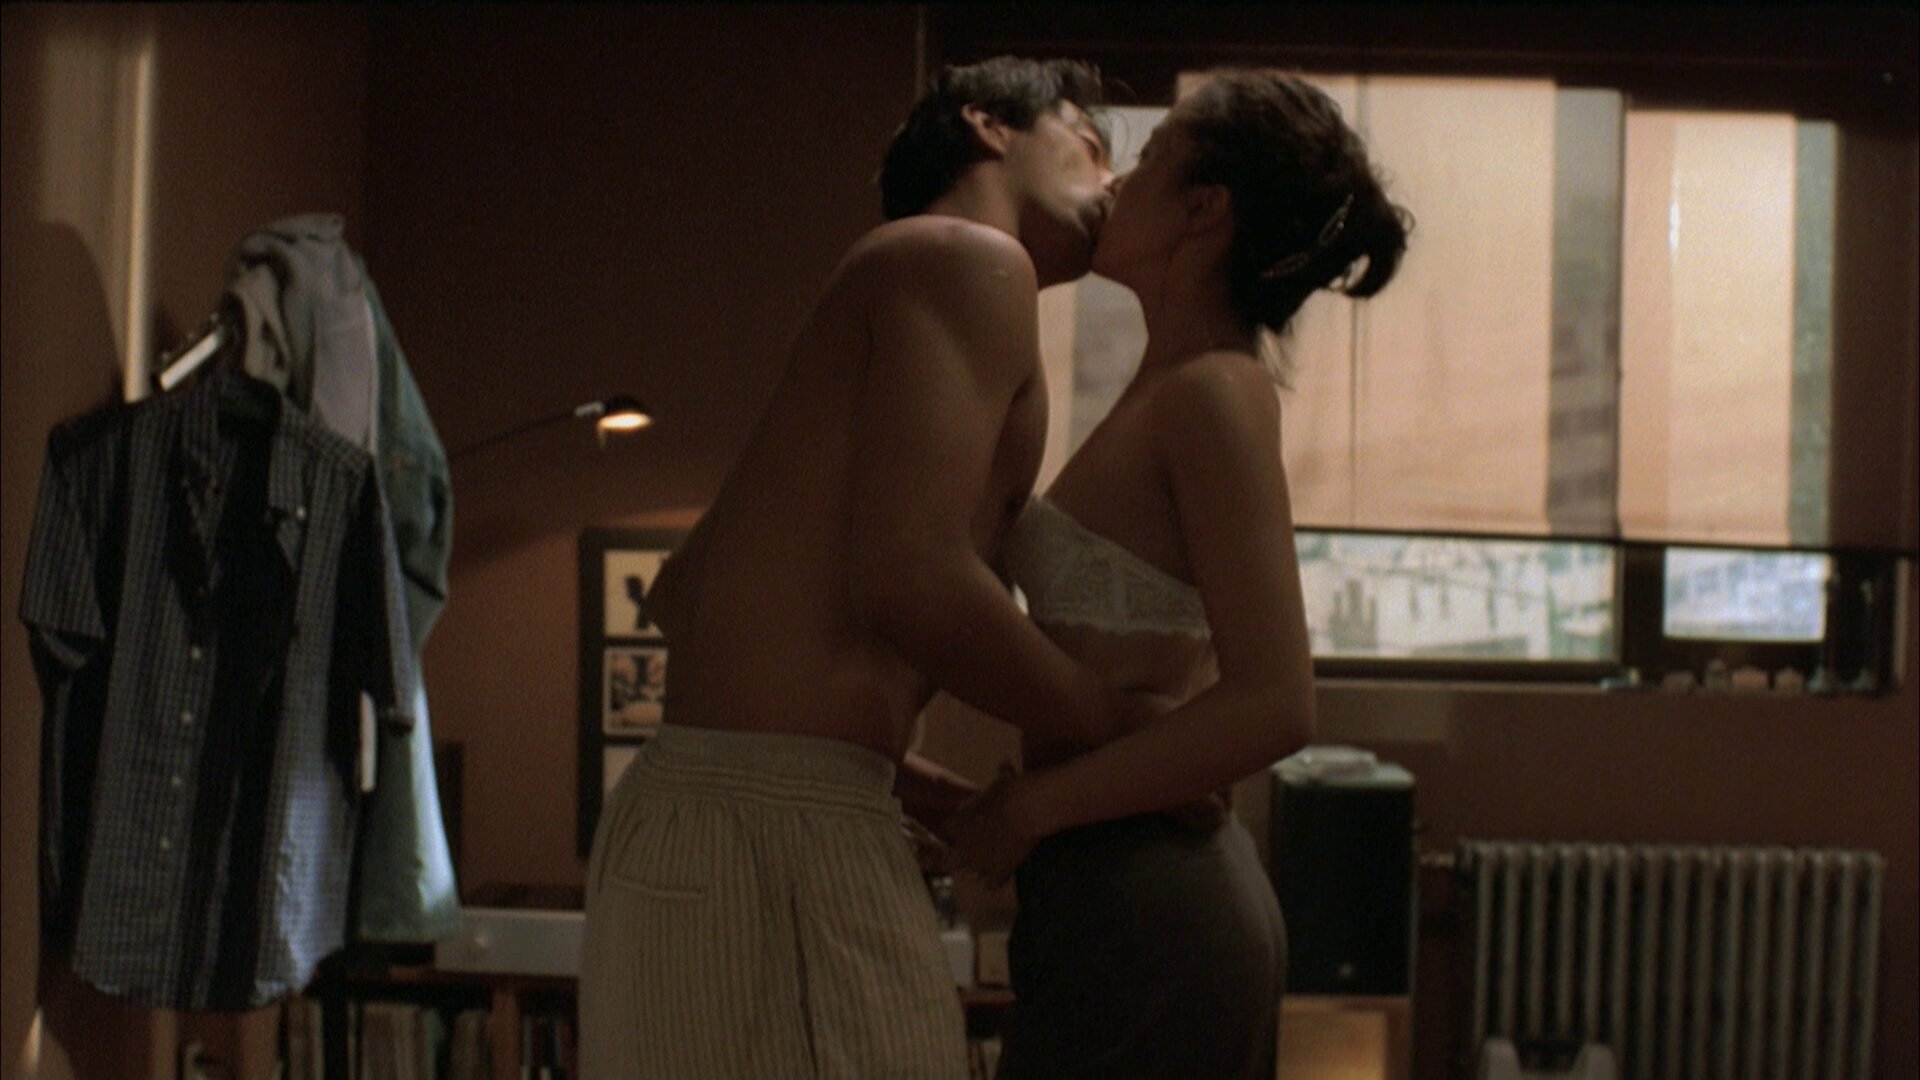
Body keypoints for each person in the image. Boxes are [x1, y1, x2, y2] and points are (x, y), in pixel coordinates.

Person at [578, 57, 1134, 1078]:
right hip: (762, 821)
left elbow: (692, 597)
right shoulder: (966, 256)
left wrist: (912, 785)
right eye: (1092, 145)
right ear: (988, 125)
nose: (1113, 181)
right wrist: (1125, 733)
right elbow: (912, 577)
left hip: (735, 808)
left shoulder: (920, 275)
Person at [945, 70, 1412, 1078]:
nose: (1115, 182)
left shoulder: (1216, 393)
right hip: (1104, 886)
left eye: (1148, 160)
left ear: (1204, 209)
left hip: (1156, 905)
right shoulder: (1166, 386)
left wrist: (1031, 809)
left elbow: (1276, 702)